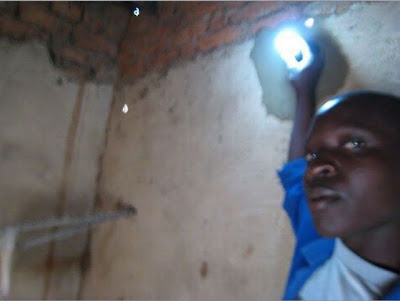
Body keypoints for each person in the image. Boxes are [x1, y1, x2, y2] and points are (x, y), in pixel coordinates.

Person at [278, 43, 400, 300]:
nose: (315, 168)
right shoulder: (316, 238)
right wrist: (304, 91)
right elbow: (296, 175)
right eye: (313, 155)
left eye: (355, 144)